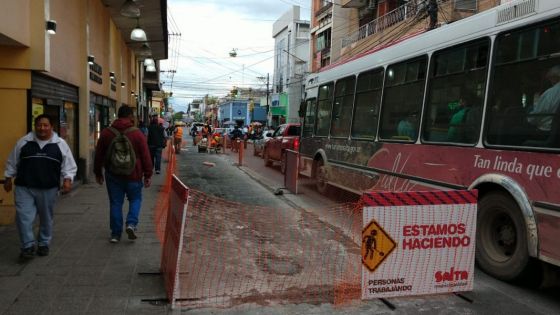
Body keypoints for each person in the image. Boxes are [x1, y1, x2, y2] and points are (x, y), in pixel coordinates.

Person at [3, 114, 77, 260]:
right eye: (39, 125)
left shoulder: (60, 144)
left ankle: (43, 243)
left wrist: (68, 180)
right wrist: (8, 178)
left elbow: (69, 165)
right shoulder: (24, 142)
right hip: (25, 187)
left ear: (51, 127)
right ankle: (28, 246)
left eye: (45, 125)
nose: (42, 128)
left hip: (48, 188)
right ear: (35, 126)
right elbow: (12, 161)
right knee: (24, 217)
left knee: (46, 217)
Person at [94, 106, 153, 243]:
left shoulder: (106, 133)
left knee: (115, 202)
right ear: (130, 116)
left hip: (113, 174)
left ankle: (115, 234)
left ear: (117, 116)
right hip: (134, 174)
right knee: (135, 199)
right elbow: (146, 155)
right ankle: (131, 224)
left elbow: (99, 155)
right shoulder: (137, 134)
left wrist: (98, 173)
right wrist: (148, 175)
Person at [528, 65, 560, 132]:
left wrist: (528, 118)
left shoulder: (551, 93)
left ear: (555, 77)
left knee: (516, 130)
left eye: (550, 78)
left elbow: (536, 116)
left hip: (546, 133)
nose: (549, 80)